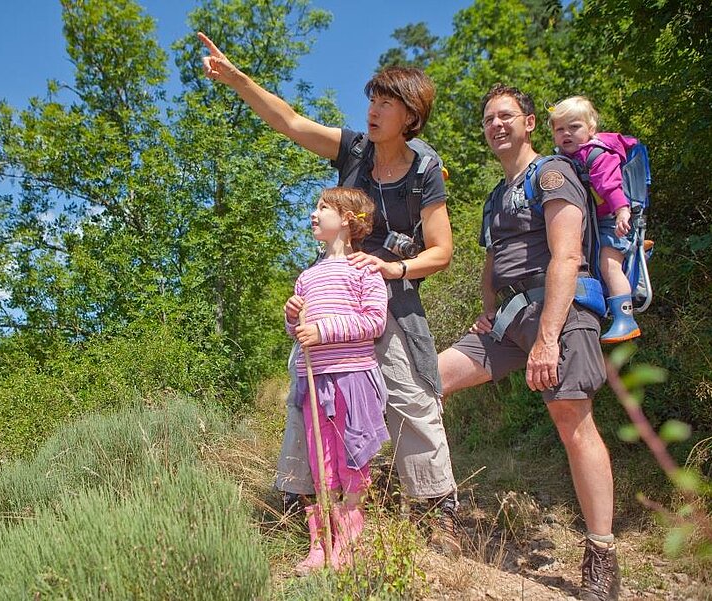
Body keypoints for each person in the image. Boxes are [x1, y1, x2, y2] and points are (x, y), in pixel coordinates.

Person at [198, 32, 462, 555]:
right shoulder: (354, 151)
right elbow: (289, 122)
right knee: (306, 390)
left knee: (411, 396)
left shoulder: (425, 171)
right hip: (332, 291)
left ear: (411, 115)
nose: (374, 109)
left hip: (388, 294)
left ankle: (436, 508)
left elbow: (443, 251)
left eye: (388, 102)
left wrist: (393, 269)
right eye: (373, 98)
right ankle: (302, 499)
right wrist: (238, 80)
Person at [437, 84, 619, 601]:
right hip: (508, 321)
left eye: (506, 116)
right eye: (488, 118)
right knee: (426, 384)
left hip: (558, 314)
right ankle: (438, 508)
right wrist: (488, 312)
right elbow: (492, 263)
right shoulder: (498, 195)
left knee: (572, 420)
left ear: (530, 122)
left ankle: (601, 556)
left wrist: (546, 340)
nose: (496, 124)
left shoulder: (553, 174)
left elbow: (565, 257)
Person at [286, 187, 390, 574]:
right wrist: (292, 315)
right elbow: (297, 329)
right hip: (314, 378)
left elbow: (374, 322)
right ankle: (321, 544)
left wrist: (323, 329)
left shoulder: (365, 269)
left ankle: (350, 540)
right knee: (321, 461)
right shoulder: (307, 276)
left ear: (347, 219)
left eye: (322, 208)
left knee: (353, 456)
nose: (314, 214)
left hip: (353, 377)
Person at [549, 95, 641, 343]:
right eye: (560, 129)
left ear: (591, 129)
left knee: (608, 265)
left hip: (612, 219)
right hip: (593, 221)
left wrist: (622, 211)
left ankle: (626, 319)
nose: (566, 133)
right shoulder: (566, 158)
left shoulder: (596, 155)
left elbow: (611, 186)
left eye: (574, 127)